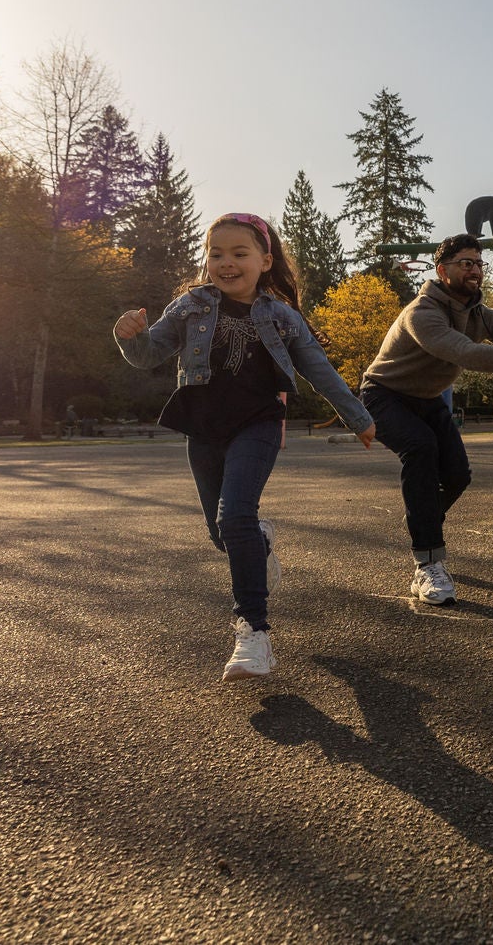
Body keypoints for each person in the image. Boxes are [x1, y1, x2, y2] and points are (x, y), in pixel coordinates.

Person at [114, 212, 374, 681]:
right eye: (216, 254)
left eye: (239, 253)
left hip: (257, 423)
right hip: (203, 425)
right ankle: (260, 539)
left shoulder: (282, 315)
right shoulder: (190, 306)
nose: (225, 263)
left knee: (234, 517)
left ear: (265, 260)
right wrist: (127, 336)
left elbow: (320, 371)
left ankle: (253, 633)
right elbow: (150, 353)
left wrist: (359, 418)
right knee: (224, 535)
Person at [360, 233, 493, 605]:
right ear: (442, 270)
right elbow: (466, 353)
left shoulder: (484, 315)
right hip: (384, 395)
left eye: (478, 263)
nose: (474, 270)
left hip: (426, 399)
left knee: (458, 474)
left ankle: (421, 519)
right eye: (465, 263)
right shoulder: (422, 312)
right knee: (420, 448)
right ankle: (427, 563)